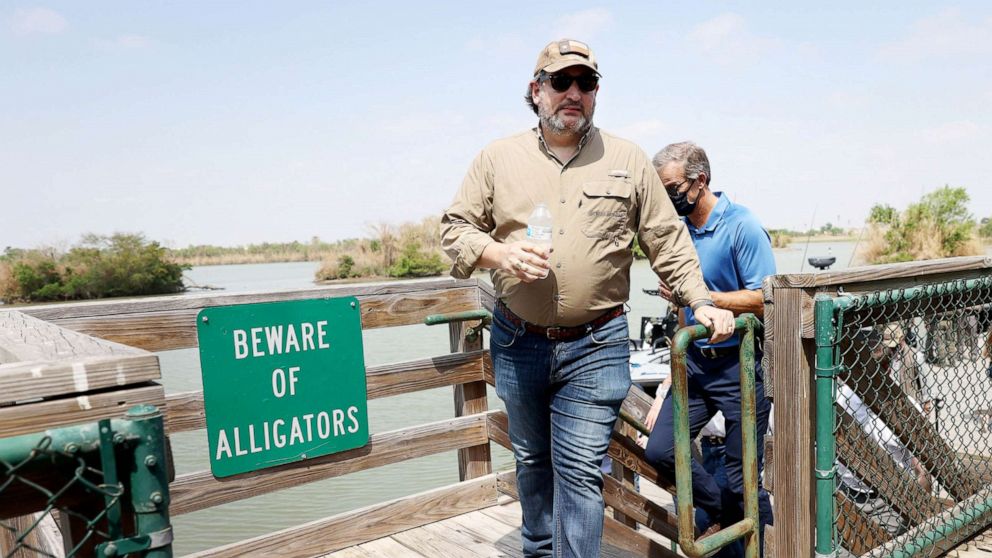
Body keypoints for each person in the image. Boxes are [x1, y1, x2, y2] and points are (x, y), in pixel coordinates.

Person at [440, 40, 735, 558]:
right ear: (537, 91)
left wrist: (702, 301)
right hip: (518, 339)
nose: (573, 93)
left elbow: (667, 240)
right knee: (532, 459)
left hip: (597, 344)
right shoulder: (496, 158)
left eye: (586, 83)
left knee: (578, 468)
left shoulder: (627, 159)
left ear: (596, 93)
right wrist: (498, 255)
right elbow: (454, 230)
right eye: (561, 82)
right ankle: (538, 549)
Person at [642, 141, 775, 557]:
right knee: (661, 450)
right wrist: (669, 374)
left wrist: (704, 298)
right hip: (695, 366)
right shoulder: (677, 232)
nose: (666, 197)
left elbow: (764, 300)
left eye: (671, 188)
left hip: (740, 366)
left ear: (700, 181)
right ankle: (721, 510)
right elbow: (685, 309)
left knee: (742, 477)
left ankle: (754, 542)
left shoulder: (743, 225)